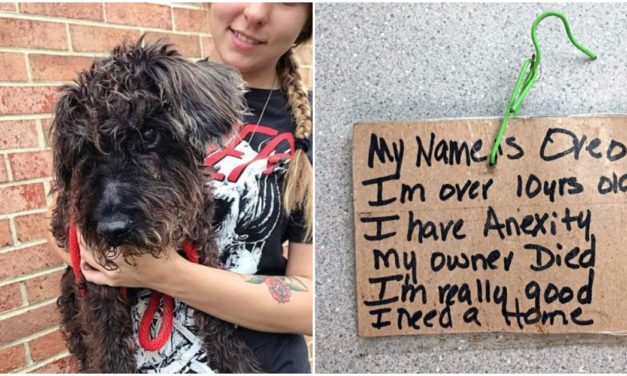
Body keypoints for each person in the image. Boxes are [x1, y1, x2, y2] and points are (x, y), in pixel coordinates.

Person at [47, 3, 313, 373]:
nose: (255, 12)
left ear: (309, 19)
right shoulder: (141, 84)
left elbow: (317, 306)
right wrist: (91, 249)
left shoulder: (315, 129)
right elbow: (64, 226)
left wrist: (164, 274)